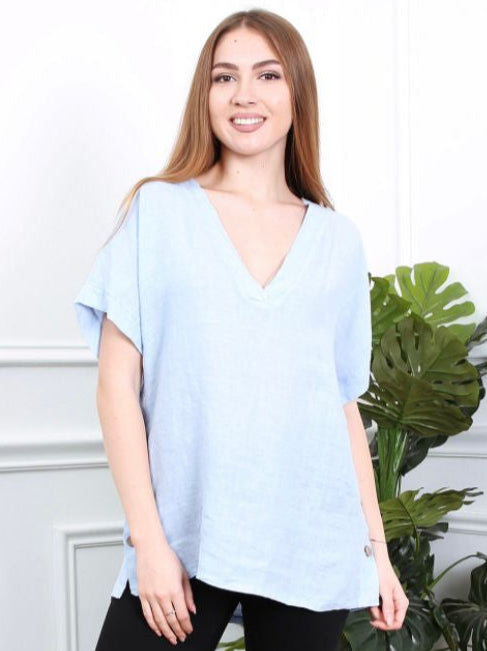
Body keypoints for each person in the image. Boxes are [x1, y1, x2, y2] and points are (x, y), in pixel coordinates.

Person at [74, 8, 409, 651]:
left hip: (310, 541)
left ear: (297, 93)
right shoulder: (159, 212)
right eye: (224, 77)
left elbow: (340, 407)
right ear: (205, 96)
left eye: (268, 75)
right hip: (187, 537)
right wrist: (149, 543)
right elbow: (116, 387)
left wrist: (377, 553)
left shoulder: (337, 241)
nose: (244, 94)